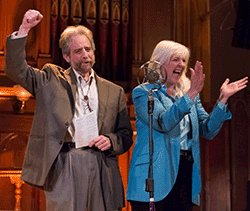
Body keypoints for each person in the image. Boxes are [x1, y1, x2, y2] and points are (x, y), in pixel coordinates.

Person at [5, 9, 133, 211]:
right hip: (65, 162)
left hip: (102, 164)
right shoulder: (50, 79)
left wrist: (110, 140)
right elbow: (16, 69)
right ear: (66, 56)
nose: (85, 55)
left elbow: (125, 135)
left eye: (88, 49)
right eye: (78, 51)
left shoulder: (114, 91)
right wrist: (24, 28)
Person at [126, 40, 248, 211]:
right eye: (176, 59)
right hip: (154, 173)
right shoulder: (145, 93)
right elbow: (163, 122)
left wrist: (223, 99)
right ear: (160, 62)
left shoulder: (188, 95)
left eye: (184, 60)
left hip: (185, 170)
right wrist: (191, 93)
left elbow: (208, 129)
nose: (181, 64)